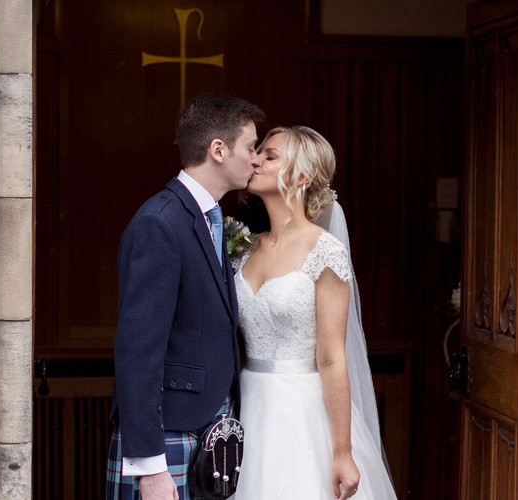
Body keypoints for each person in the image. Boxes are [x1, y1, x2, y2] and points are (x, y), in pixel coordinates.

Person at [106, 93, 265, 500]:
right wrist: (150, 468)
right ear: (218, 150)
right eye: (250, 147)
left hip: (205, 432)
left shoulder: (207, 219)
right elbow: (137, 350)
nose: (255, 159)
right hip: (167, 437)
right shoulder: (160, 224)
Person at [232, 126, 398, 499]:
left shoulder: (325, 252)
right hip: (246, 406)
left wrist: (341, 451)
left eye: (270, 156)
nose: (256, 159)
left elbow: (332, 358)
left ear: (301, 176)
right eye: (258, 152)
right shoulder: (243, 248)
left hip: (303, 413)